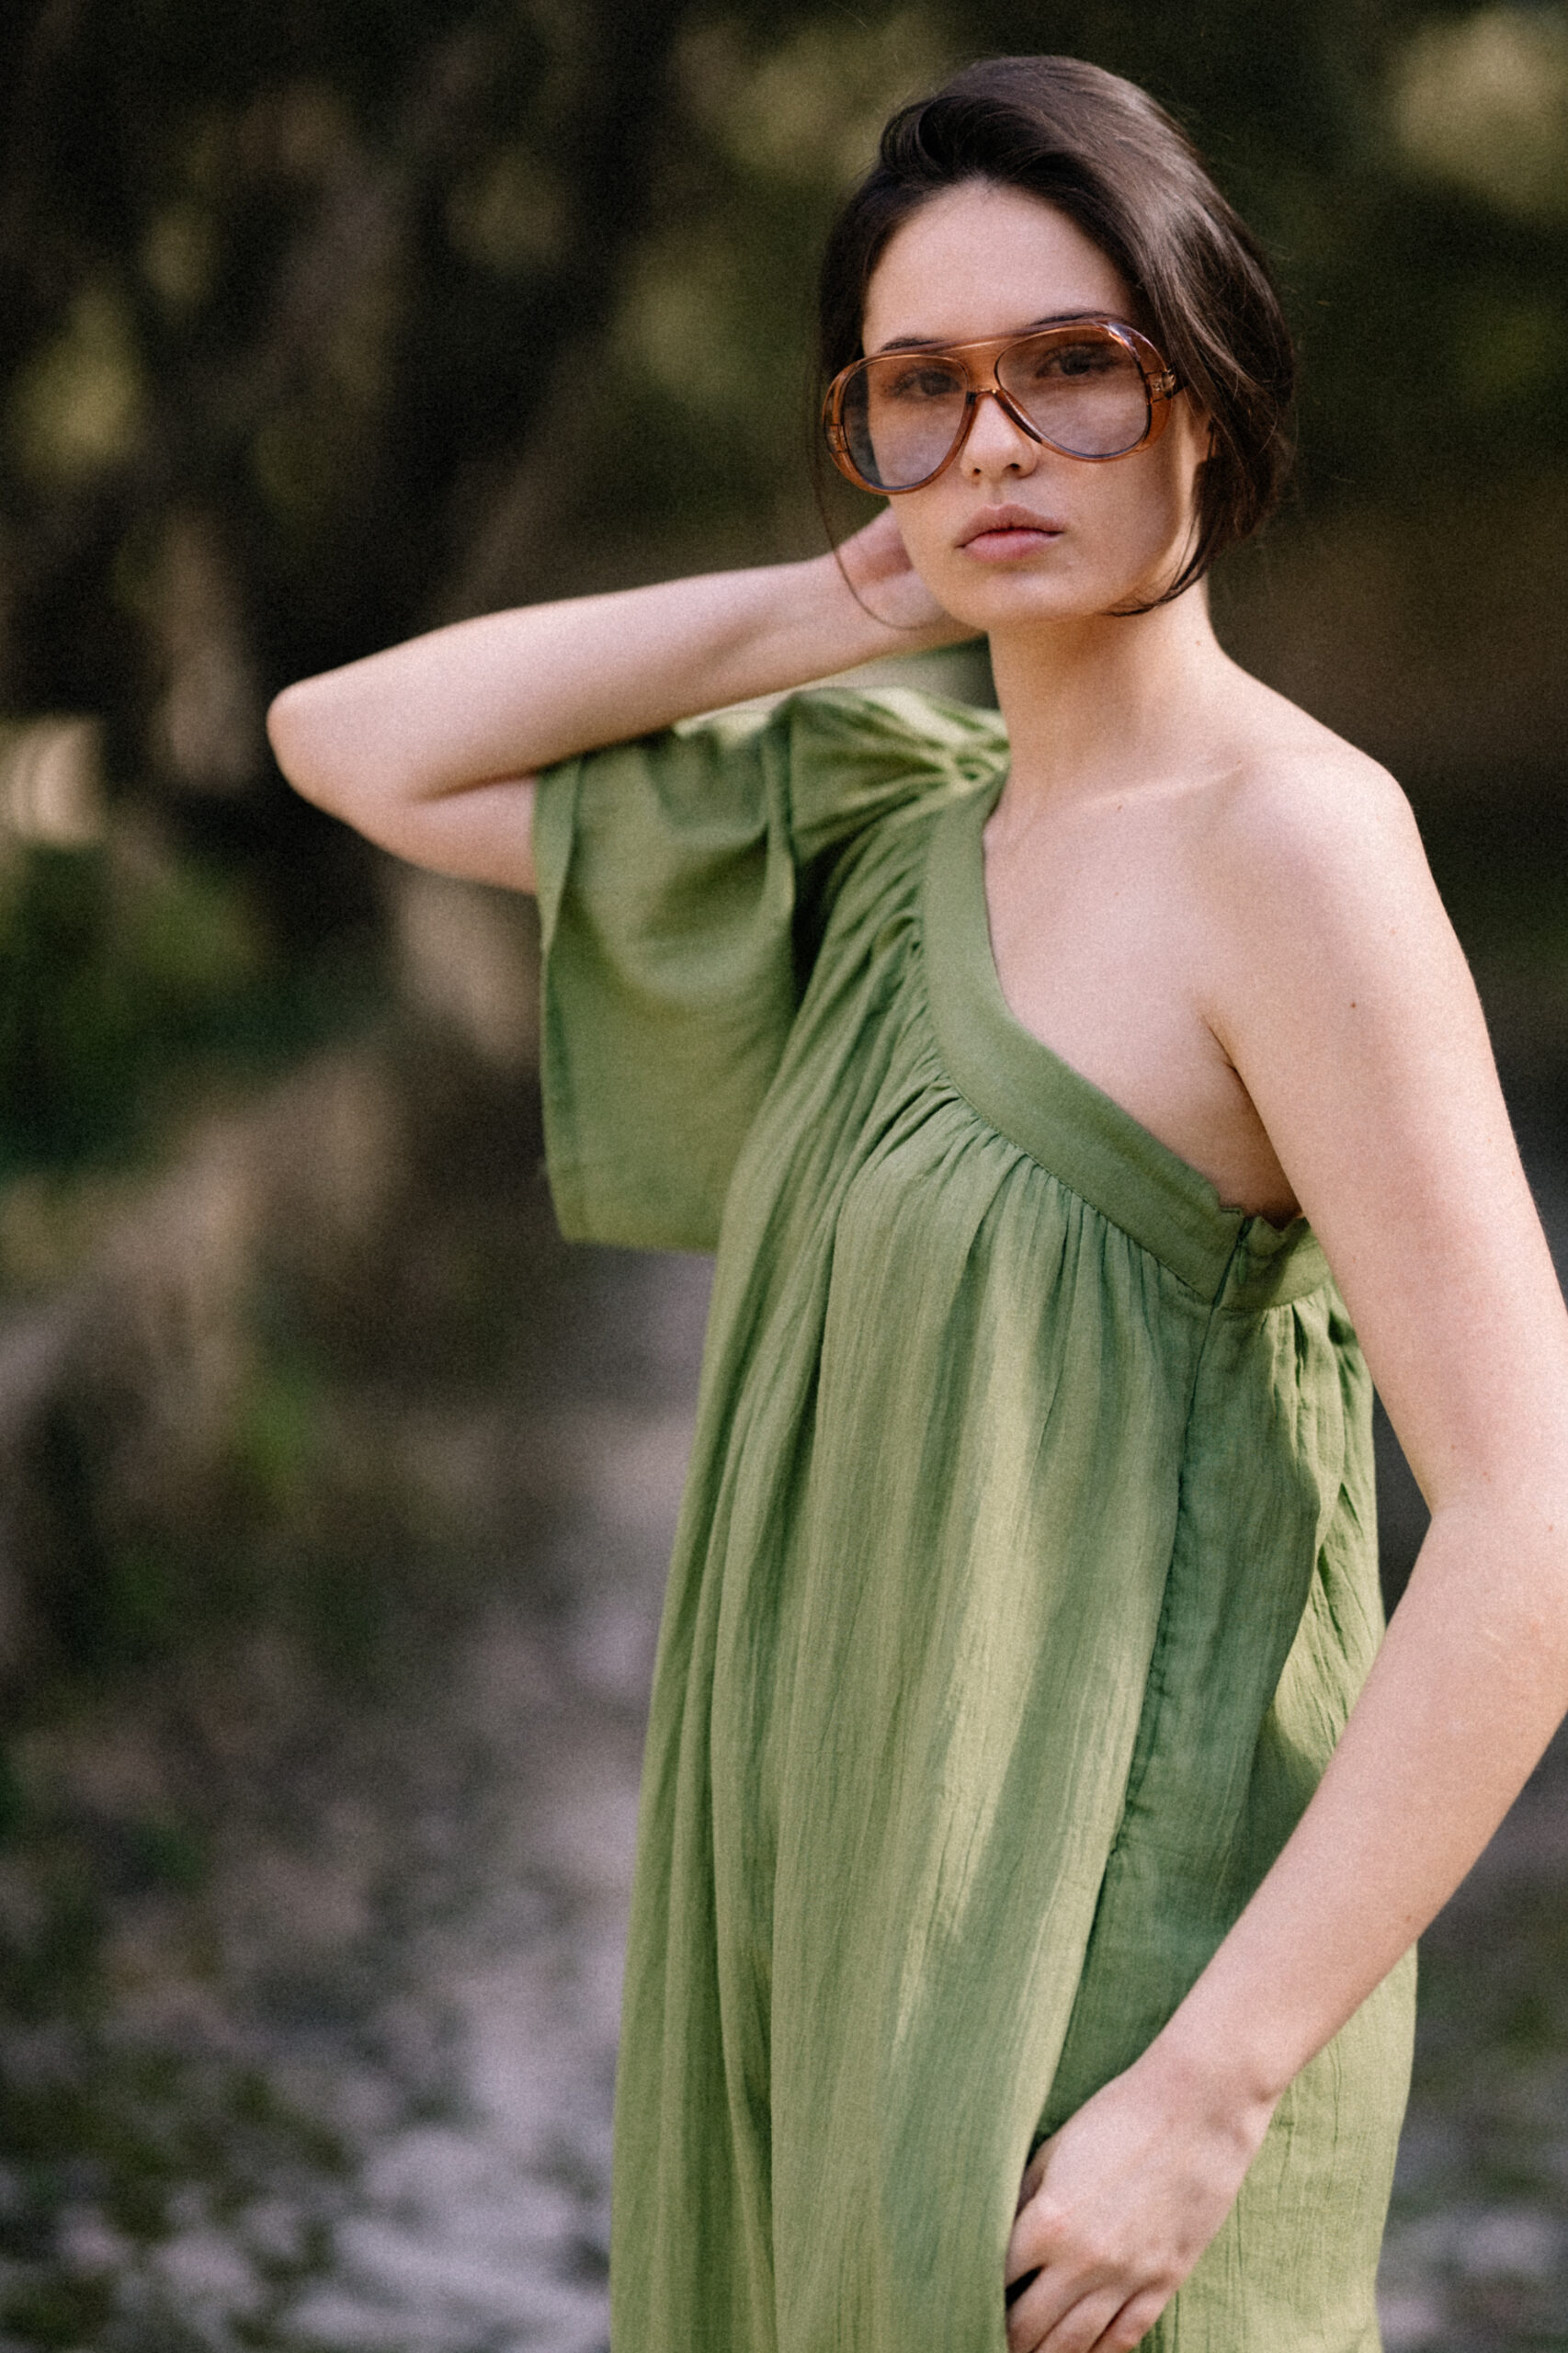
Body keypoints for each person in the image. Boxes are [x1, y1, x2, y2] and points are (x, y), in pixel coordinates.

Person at [266, 53, 1568, 2353]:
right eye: (918, 388)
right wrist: (838, 598)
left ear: (1202, 394)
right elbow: (351, 741)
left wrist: (1206, 2090)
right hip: (825, 1946)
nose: (992, 442)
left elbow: (1529, 1512)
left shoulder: (1289, 845)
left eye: (1072, 366)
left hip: (1106, 2013)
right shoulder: (883, 834)